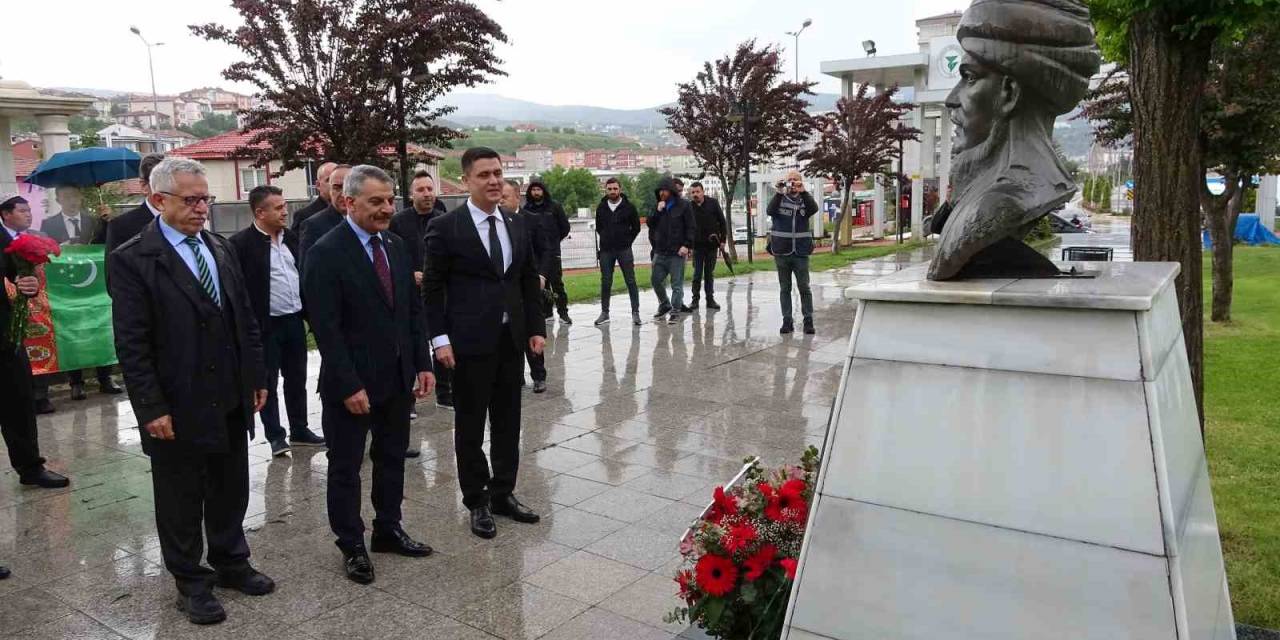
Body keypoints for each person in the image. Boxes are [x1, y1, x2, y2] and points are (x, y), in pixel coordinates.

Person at [108, 158, 273, 626]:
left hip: (229, 393)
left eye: (207, 199)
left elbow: (245, 320)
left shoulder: (220, 248)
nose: (202, 208)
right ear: (159, 200)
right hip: (176, 401)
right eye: (192, 199)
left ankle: (230, 561)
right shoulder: (135, 258)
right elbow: (132, 342)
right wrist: (150, 407)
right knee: (181, 497)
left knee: (230, 484)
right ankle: (190, 581)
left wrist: (256, 377)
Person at [304, 165, 436, 585]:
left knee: (392, 457)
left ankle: (388, 528)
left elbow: (411, 312)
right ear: (349, 202)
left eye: (389, 200)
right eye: (376, 201)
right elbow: (325, 327)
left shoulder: (395, 245)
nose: (386, 208)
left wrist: (422, 362)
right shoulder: (326, 251)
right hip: (351, 386)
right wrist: (348, 384)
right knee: (345, 467)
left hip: (397, 379)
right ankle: (351, 544)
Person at [424, 147, 546, 540]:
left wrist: (535, 327)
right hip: (468, 344)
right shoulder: (447, 228)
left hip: (511, 341)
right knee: (471, 424)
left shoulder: (515, 223)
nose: (494, 181)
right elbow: (434, 288)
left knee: (510, 422)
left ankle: (503, 492)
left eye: (498, 173)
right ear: (466, 180)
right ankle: (476, 500)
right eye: (484, 175)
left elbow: (527, 279)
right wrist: (439, 339)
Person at [228, 185, 326, 457]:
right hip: (265, 325)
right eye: (279, 207)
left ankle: (300, 428)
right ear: (260, 212)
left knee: (297, 378)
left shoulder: (292, 238)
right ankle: (274, 435)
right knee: (267, 382)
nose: (286, 211)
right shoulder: (241, 245)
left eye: (285, 206)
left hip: (294, 320)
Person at [0, 194, 71, 489]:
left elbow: (20, 278)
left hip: (4, 335)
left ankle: (30, 467)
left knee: (18, 401)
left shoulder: (8, 239)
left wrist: (27, 284)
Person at [34, 186, 124, 410]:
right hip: (67, 287)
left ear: (81, 197)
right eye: (66, 197)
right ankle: (76, 382)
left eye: (75, 196)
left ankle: (105, 377)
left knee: (99, 327)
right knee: (72, 330)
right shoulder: (48, 224)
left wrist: (108, 222)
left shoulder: (95, 221)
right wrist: (60, 248)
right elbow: (46, 250)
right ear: (58, 199)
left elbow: (107, 245)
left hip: (95, 286)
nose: (72, 201)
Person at [389, 171, 452, 408]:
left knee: (441, 339)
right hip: (408, 293)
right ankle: (409, 399)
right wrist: (409, 274)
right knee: (410, 345)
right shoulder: (398, 222)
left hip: (438, 293)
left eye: (429, 189)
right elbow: (391, 255)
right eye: (421, 190)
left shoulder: (444, 218)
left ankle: (445, 394)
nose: (426, 194)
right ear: (411, 194)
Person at [502, 179, 551, 393]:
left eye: (506, 197)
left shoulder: (531, 220)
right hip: (509, 288)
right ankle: (516, 376)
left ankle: (539, 375)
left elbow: (546, 250)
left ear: (516, 197)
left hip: (529, 284)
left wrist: (541, 274)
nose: (501, 201)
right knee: (513, 332)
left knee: (532, 328)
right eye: (499, 197)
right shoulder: (498, 222)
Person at [767, 171, 819, 335]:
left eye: (795, 180)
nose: (792, 183)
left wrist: (804, 191)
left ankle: (808, 320)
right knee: (785, 288)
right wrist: (778, 192)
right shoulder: (780, 199)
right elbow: (770, 211)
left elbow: (814, 208)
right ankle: (787, 320)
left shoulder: (805, 200)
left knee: (804, 286)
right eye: (789, 181)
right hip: (781, 251)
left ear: (800, 183)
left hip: (801, 251)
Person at [592, 177, 642, 326]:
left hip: (624, 250)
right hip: (606, 251)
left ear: (620, 189)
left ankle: (635, 313)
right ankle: (604, 312)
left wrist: (627, 241)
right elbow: (599, 227)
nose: (612, 191)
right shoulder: (601, 208)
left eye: (615, 188)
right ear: (605, 190)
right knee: (606, 282)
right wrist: (607, 239)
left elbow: (636, 228)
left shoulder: (629, 207)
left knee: (631, 281)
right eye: (609, 189)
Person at [522, 179, 571, 324]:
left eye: (539, 189)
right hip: (536, 254)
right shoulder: (527, 209)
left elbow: (565, 227)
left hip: (553, 251)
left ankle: (563, 313)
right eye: (533, 190)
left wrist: (554, 240)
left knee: (557, 284)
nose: (536, 192)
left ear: (543, 191)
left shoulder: (554, 207)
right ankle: (547, 312)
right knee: (542, 285)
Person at [648, 176, 694, 324]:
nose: (662, 193)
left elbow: (691, 228)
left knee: (677, 284)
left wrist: (687, 245)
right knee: (655, 280)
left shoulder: (684, 206)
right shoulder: (658, 206)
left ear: (671, 191)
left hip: (677, 252)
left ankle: (675, 310)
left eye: (665, 190)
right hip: (660, 251)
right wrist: (657, 210)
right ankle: (664, 303)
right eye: (660, 191)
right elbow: (650, 224)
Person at [104, 153, 167, 257]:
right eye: (162, 184)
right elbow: (114, 270)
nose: (170, 190)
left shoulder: (187, 220)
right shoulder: (120, 227)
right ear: (144, 186)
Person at [299, 164, 353, 269]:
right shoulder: (313, 226)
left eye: (348, 187)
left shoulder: (371, 222)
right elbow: (308, 271)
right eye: (337, 187)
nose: (343, 194)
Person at [688, 182, 727, 310]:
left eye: (697, 191)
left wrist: (722, 241)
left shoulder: (713, 203)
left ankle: (710, 300)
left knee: (709, 274)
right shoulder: (689, 207)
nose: (695, 194)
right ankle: (695, 300)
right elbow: (686, 227)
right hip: (697, 247)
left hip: (712, 245)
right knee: (697, 274)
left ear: (703, 192)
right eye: (693, 192)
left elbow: (722, 222)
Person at [290, 161, 338, 232]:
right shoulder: (304, 215)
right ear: (318, 185)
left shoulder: (350, 212)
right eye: (329, 180)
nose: (335, 184)